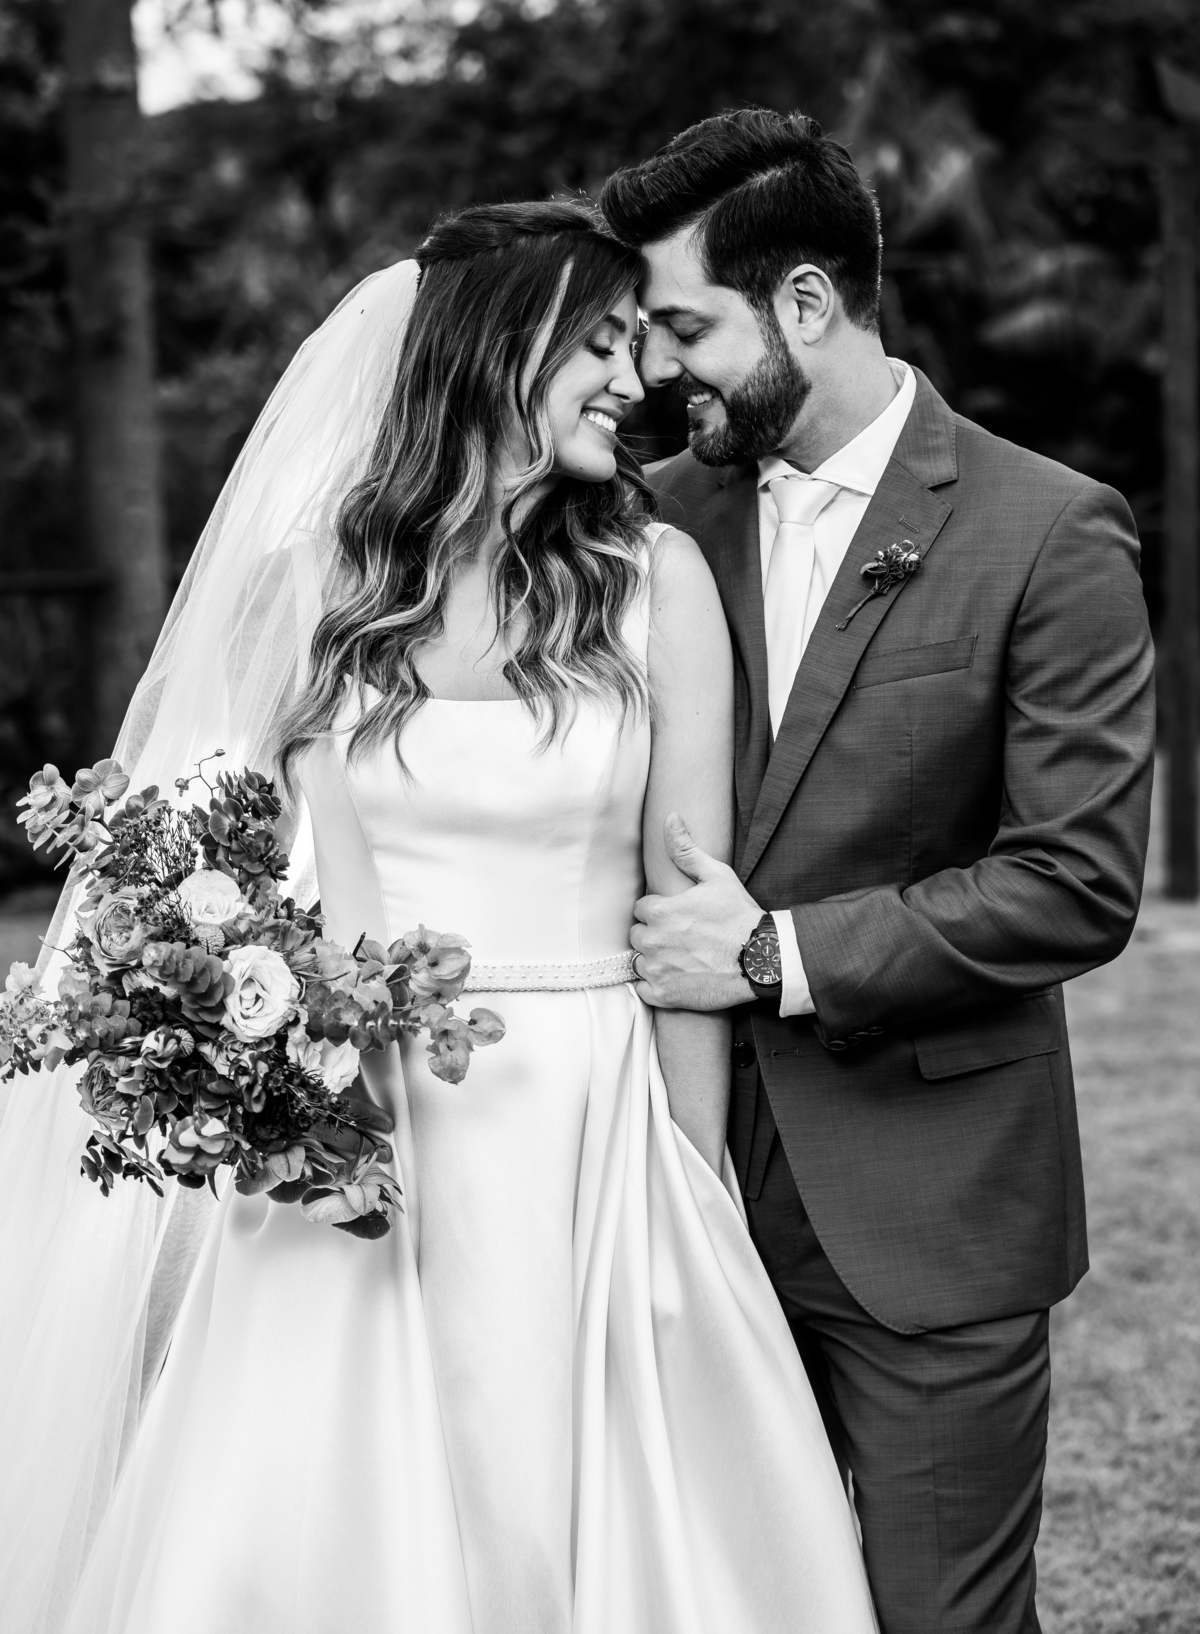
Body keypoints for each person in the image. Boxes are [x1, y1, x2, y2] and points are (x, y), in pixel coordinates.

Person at [0, 200, 877, 1634]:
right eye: (598, 345)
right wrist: (279, 1085)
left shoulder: (652, 584)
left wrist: (689, 1176)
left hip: (589, 1119)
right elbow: (241, 876)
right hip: (367, 1125)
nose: (635, 380)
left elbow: (684, 913)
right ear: (494, 349)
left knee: (588, 1516)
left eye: (638, 345)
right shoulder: (319, 589)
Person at [601, 109, 1156, 1634]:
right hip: (678, 1193)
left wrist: (771, 954)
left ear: (804, 303)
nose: (655, 373)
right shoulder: (653, 523)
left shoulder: (1048, 532)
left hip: (930, 1211)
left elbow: (1074, 881)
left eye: (685, 329)